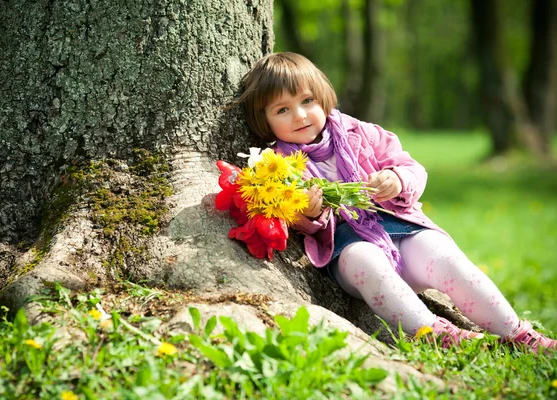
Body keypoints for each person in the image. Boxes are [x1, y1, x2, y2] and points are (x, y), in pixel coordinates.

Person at [235, 52, 556, 353]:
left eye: (307, 101)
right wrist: (310, 213)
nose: (300, 115)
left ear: (322, 98)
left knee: (442, 254)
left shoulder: (359, 132)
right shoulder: (278, 164)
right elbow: (292, 220)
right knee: (365, 260)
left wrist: (397, 179)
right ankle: (436, 334)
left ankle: (516, 332)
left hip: (398, 227)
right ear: (264, 120)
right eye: (282, 110)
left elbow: (412, 168)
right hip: (347, 246)